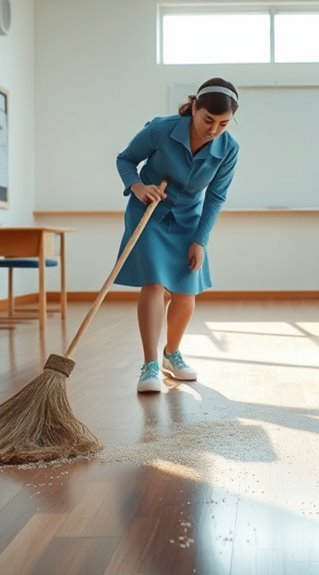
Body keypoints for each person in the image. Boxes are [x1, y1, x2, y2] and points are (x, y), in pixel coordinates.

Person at [115, 78, 240, 393]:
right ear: (194, 109)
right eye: (207, 120)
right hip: (149, 214)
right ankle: (150, 365)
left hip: (189, 218)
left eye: (223, 123)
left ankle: (172, 354)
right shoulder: (162, 130)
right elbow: (126, 159)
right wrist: (138, 186)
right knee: (154, 283)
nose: (213, 129)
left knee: (187, 290)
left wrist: (201, 240)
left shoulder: (229, 149)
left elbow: (216, 197)